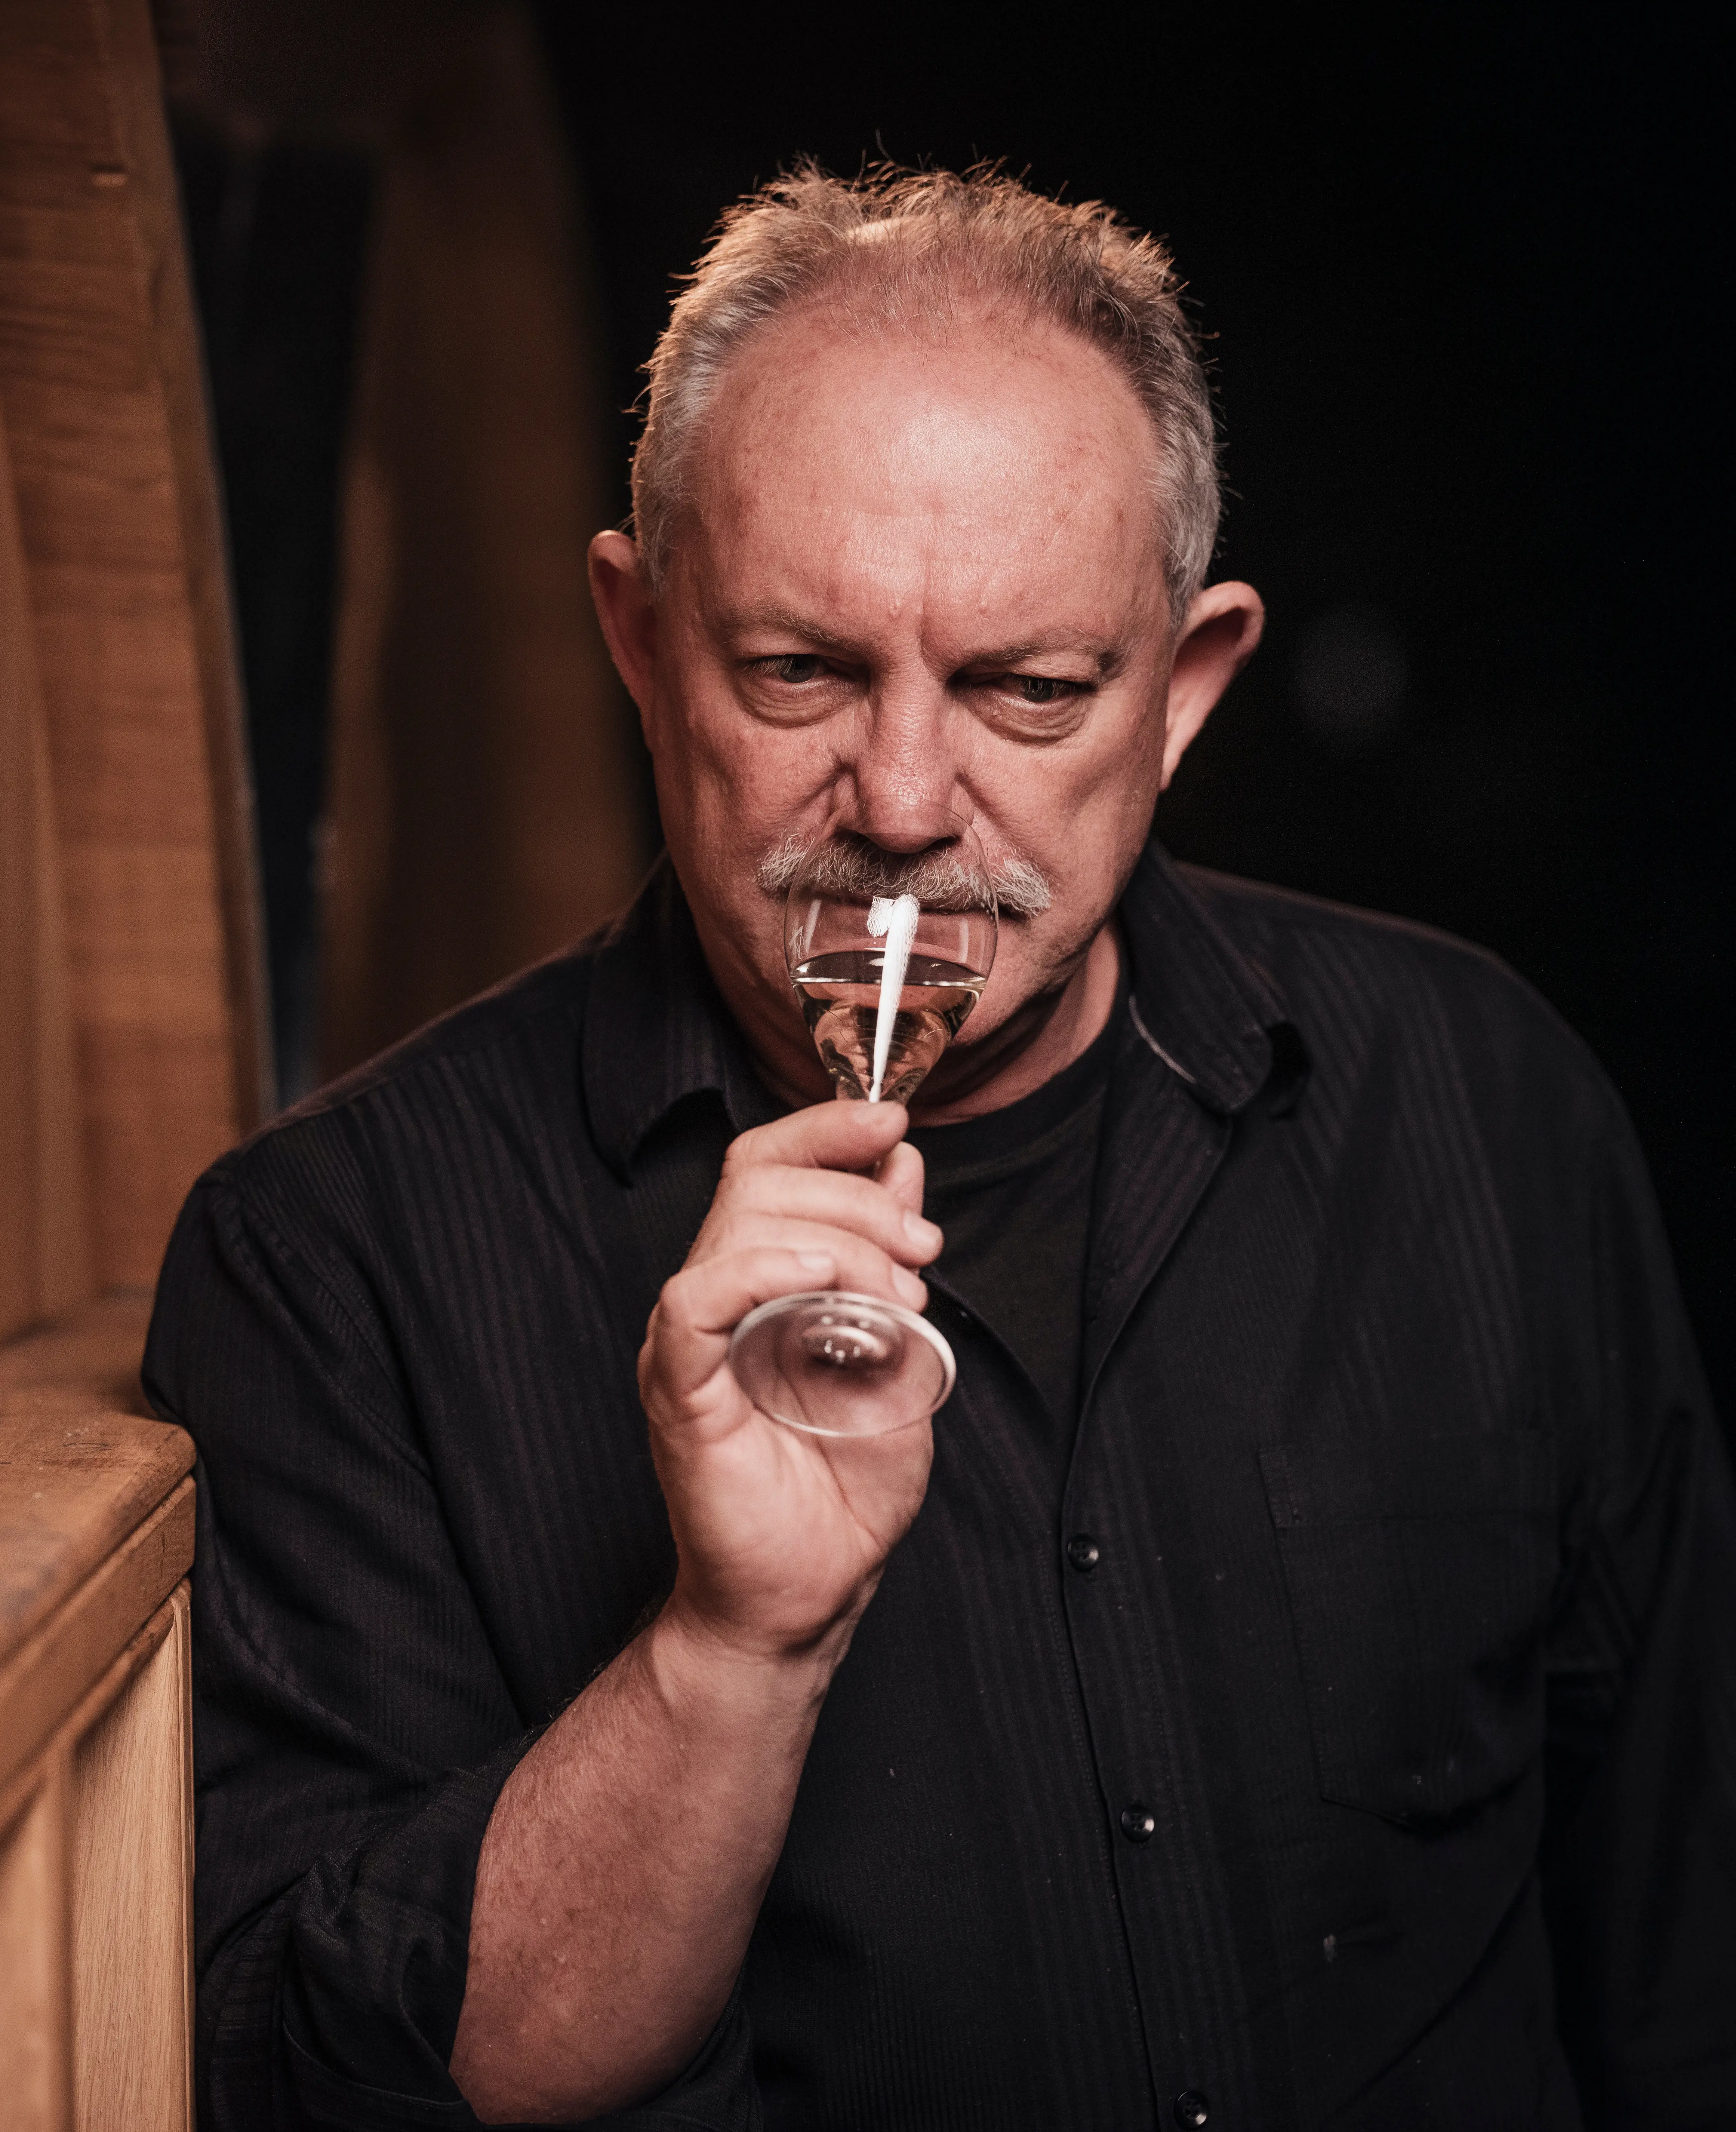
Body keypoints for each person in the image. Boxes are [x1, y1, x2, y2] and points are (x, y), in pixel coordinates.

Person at [145, 165, 1735, 2130]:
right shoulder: (328, 1264)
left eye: (1030, 692)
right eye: (797, 673)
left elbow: (1682, 1950)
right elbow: (326, 2091)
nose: (902, 805)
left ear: (1187, 692)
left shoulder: (1481, 1102)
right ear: (636, 641)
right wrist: (734, 1649)